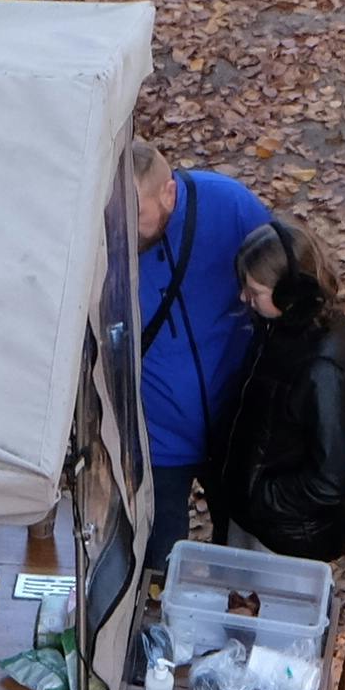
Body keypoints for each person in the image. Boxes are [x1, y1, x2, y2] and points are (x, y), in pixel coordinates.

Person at [120, 141, 274, 577]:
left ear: (168, 194)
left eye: (135, 214)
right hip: (159, 441)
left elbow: (282, 273)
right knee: (158, 564)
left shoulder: (227, 205)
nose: (122, 227)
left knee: (241, 564)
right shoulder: (106, 242)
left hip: (234, 426)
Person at [202, 218, 345, 562]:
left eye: (254, 291)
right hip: (259, 518)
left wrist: (258, 495)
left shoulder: (322, 368)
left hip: (284, 538)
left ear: (289, 291)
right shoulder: (281, 323)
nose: (243, 297)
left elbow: (330, 480)